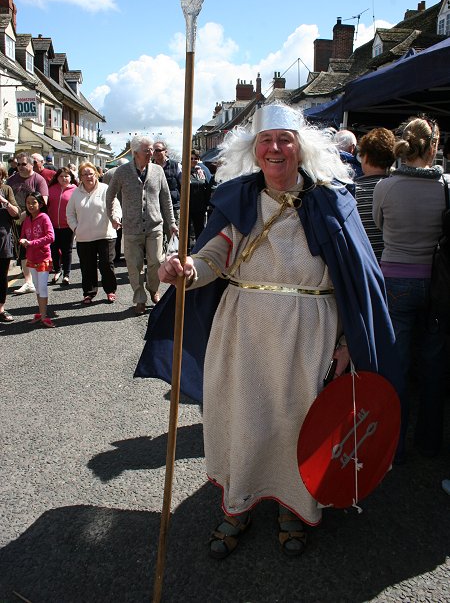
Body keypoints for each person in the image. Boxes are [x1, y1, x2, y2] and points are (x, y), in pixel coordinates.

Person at [136, 103, 399, 559]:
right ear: (254, 150)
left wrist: (345, 343)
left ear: (301, 147)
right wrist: (186, 270)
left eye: (284, 139)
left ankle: (294, 508)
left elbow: (355, 280)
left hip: (309, 333)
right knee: (242, 420)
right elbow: (215, 256)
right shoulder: (237, 198)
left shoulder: (332, 200)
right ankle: (238, 504)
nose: (275, 148)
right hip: (243, 329)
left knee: (298, 425)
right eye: (266, 141)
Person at [373, 116, 448, 462]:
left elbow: (379, 224)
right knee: (434, 365)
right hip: (435, 283)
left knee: (398, 365)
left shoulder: (385, 187)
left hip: (394, 280)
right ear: (433, 146)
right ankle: (430, 442)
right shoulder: (445, 187)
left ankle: (394, 445)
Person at [106, 135, 177, 316]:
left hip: (155, 226)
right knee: (134, 266)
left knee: (156, 262)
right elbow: (110, 195)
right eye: (147, 150)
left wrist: (172, 223)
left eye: (152, 149)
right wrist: (113, 216)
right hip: (131, 228)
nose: (151, 153)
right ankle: (139, 298)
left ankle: (153, 289)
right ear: (135, 152)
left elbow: (166, 199)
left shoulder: (158, 171)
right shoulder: (121, 172)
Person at [66, 162, 121, 304]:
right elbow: (70, 214)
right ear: (80, 177)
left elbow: (115, 206)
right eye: (84, 174)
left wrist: (115, 219)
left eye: (91, 173)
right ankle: (89, 293)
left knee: (106, 264)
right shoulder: (76, 194)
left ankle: (110, 290)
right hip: (84, 237)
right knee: (87, 266)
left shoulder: (105, 189)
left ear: (96, 174)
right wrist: (76, 228)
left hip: (105, 234)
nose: (88, 176)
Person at [7, 152, 48, 294]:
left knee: (34, 250)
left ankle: (37, 279)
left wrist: (23, 215)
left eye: (24, 164)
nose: (20, 167)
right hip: (15, 221)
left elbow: (43, 201)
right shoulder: (11, 180)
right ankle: (28, 281)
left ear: (31, 164)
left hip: (33, 220)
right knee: (22, 252)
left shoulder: (38, 180)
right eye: (18, 164)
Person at [355, 128, 395, 261]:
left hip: (362, 263)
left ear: (365, 157)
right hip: (389, 264)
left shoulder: (351, 190)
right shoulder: (395, 188)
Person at [19, 191, 55, 328]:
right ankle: (41, 313)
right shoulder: (27, 220)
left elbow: (51, 237)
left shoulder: (44, 217)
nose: (30, 205)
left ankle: (45, 317)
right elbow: (23, 235)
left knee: (43, 287)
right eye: (28, 203)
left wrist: (31, 243)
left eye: (34, 202)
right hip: (31, 258)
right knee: (37, 289)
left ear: (40, 204)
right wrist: (22, 240)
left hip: (43, 258)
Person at [47, 167, 77, 285]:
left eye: (66, 176)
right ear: (57, 177)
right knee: (54, 249)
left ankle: (66, 274)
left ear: (71, 178)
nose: (64, 178)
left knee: (67, 250)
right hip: (52, 225)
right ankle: (57, 270)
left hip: (67, 226)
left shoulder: (75, 190)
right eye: (61, 176)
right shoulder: (51, 189)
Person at [0, 164, 20, 322]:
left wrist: (3, 201)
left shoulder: (6, 190)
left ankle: (1, 308)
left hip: (3, 238)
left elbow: (16, 213)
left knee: (2, 276)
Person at [152, 140, 182, 227]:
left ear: (165, 151)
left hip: (173, 207)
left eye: (158, 150)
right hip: (155, 208)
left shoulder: (176, 166)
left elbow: (184, 185)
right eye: (153, 150)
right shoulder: (149, 166)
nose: (155, 152)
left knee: (174, 236)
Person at [102, 160, 127, 263]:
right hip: (125, 205)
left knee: (115, 231)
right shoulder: (126, 172)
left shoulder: (108, 173)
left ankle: (114, 255)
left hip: (112, 205)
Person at [188, 149, 212, 250]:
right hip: (187, 207)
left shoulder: (203, 171)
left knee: (200, 230)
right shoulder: (183, 171)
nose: (193, 160)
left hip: (200, 207)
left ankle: (199, 251)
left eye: (196, 158)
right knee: (186, 231)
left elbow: (209, 186)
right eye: (191, 158)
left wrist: (207, 203)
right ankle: (186, 252)